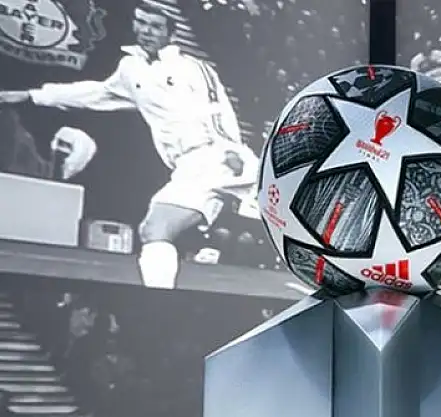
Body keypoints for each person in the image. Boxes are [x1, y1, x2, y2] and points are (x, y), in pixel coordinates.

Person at [0, 2, 259, 290]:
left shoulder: (193, 67)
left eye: (155, 26)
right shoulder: (130, 68)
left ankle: (160, 298)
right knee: (154, 231)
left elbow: (218, 110)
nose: (147, 31)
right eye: (142, 23)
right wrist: (32, 95)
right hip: (186, 167)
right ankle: (166, 292)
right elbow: (96, 93)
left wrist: (230, 150)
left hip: (213, 157)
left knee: (156, 229)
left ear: (171, 33)